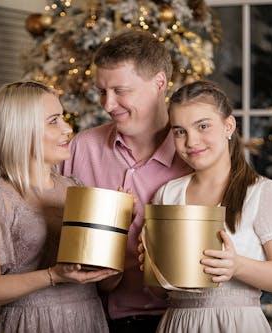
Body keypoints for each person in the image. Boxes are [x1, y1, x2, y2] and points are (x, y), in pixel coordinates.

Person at [0, 81, 118, 333]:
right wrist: (53, 276)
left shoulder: (76, 189)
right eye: (53, 121)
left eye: (63, 118)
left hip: (88, 320)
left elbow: (106, 283)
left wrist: (117, 231)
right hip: (30, 324)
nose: (67, 129)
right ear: (21, 129)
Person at [61, 30, 192, 332]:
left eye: (121, 90)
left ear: (159, 83)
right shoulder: (81, 149)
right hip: (105, 321)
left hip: (183, 319)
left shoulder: (195, 155)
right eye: (102, 91)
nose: (107, 105)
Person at [145, 80, 272, 332]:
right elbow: (157, 290)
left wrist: (237, 265)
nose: (191, 141)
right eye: (179, 131)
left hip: (236, 323)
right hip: (178, 322)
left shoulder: (261, 192)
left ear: (228, 126)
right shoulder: (167, 194)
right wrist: (153, 265)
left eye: (203, 126)